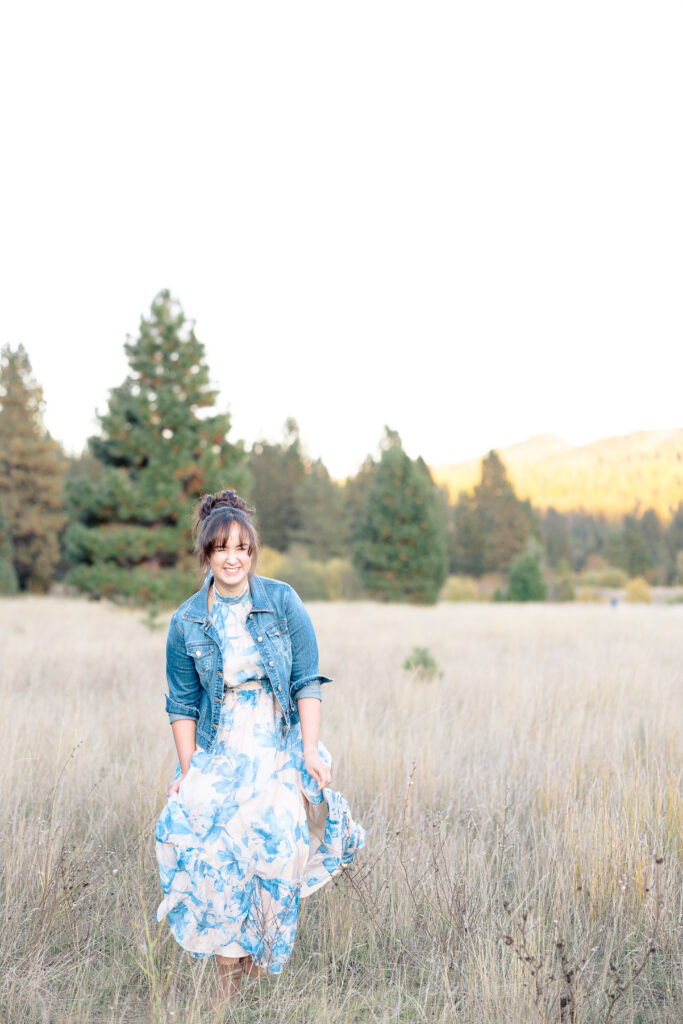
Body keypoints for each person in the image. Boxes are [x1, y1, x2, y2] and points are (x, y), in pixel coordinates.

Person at [154, 489, 365, 1005]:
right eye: (222, 548)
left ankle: (255, 953)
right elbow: (182, 704)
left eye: (242, 548)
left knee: (281, 848)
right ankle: (227, 982)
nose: (233, 558)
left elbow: (306, 680)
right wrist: (191, 770)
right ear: (207, 553)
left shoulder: (282, 601)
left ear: (252, 552)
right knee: (216, 856)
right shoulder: (187, 621)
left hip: (276, 739)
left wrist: (310, 750)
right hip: (221, 746)